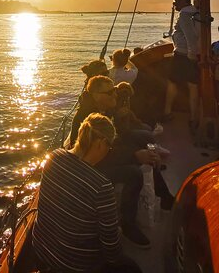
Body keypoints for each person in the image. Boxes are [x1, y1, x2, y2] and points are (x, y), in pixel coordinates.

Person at [69, 76, 175, 248]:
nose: (115, 94)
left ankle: (164, 196)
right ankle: (128, 224)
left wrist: (119, 118)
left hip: (106, 152)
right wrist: (134, 156)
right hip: (90, 166)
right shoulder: (88, 119)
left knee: (143, 139)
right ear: (96, 95)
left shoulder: (106, 108)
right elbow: (97, 153)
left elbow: (116, 138)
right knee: (134, 173)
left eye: (115, 90)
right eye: (110, 92)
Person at [33, 113, 142, 273]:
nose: (108, 151)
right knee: (133, 268)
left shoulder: (53, 158)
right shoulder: (101, 186)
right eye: (109, 146)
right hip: (74, 266)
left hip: (40, 252)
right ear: (100, 143)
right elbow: (112, 251)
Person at [163, 0, 200, 127]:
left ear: (184, 1)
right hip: (191, 54)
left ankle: (167, 113)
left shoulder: (184, 14)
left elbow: (190, 36)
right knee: (193, 86)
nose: (174, 4)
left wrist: (191, 56)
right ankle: (193, 117)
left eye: (176, 1)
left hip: (183, 55)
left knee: (172, 83)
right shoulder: (195, 13)